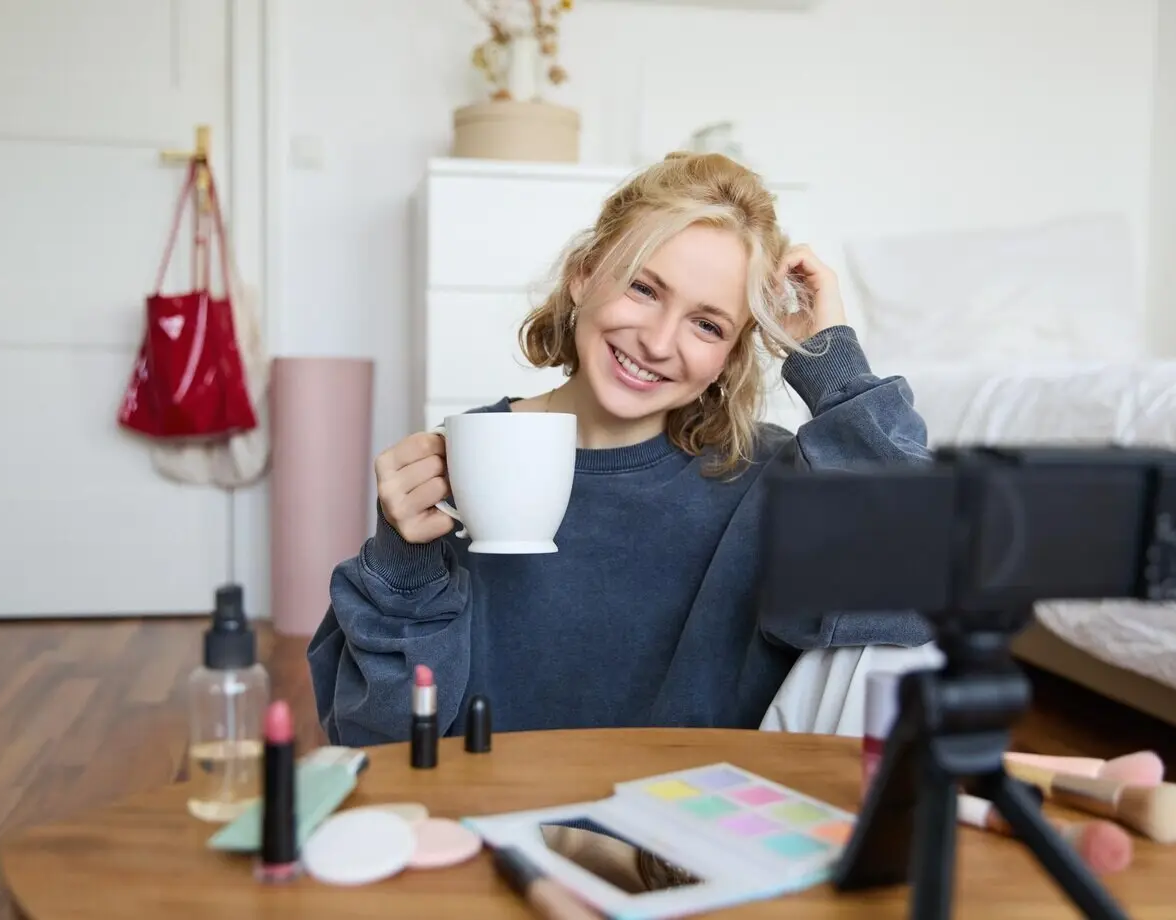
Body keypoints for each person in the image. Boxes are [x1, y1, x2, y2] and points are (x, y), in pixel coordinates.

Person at [307, 152, 932, 747]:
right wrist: (402, 563)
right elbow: (376, 738)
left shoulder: (767, 478)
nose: (658, 342)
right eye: (643, 288)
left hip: (690, 818)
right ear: (583, 274)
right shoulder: (468, 462)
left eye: (707, 324)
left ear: (728, 356)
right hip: (494, 813)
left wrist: (833, 365)